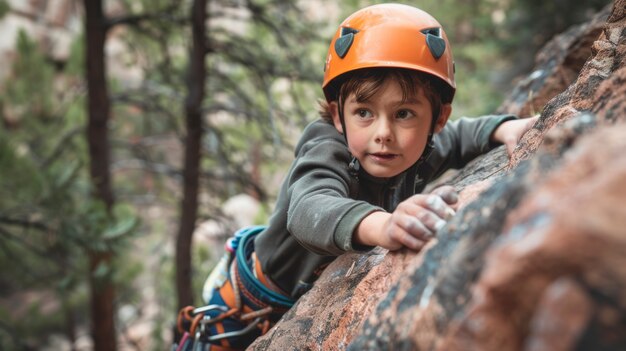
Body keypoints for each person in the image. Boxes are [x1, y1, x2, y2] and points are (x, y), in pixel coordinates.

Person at [173, 3, 537, 350]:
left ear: (436, 120)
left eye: (405, 114)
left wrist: (501, 128)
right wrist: (384, 226)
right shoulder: (326, 146)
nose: (384, 133)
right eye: (364, 112)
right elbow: (309, 208)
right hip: (251, 309)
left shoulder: (414, 149)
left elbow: (457, 138)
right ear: (337, 115)